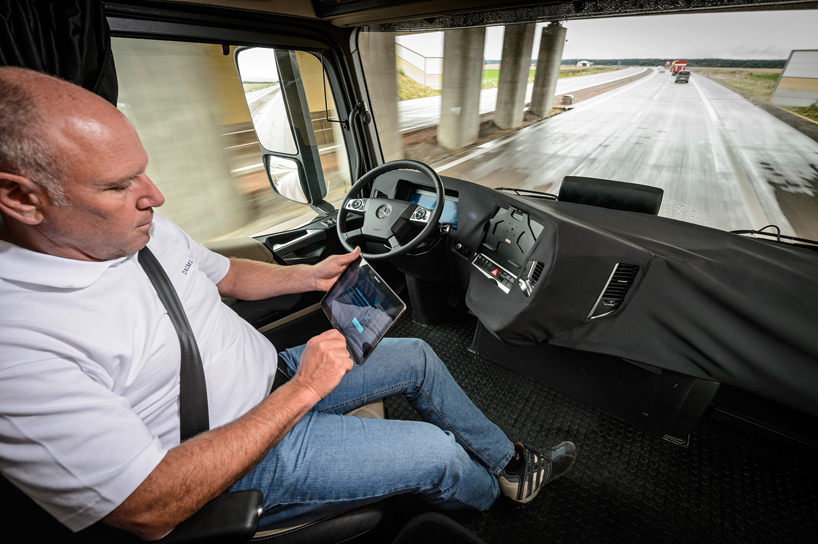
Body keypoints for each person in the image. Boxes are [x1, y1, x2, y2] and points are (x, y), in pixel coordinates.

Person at [0, 67, 577, 541]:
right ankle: (484, 509)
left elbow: (225, 275)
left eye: (142, 172)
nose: (154, 195)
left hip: (274, 377)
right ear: (21, 199)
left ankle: (511, 469)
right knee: (439, 453)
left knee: (419, 358)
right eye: (118, 185)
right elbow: (146, 508)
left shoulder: (135, 229)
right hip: (231, 457)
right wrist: (307, 389)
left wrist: (309, 275)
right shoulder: (18, 345)